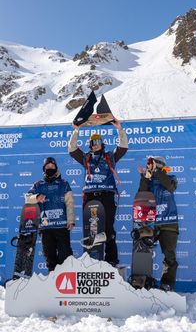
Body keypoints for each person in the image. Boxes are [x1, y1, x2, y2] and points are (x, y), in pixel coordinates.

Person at [68, 118, 128, 266]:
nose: (95, 145)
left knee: (108, 229)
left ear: (102, 143)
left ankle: (111, 261)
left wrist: (119, 129)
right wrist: (76, 131)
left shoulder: (109, 157)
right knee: (92, 230)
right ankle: (92, 260)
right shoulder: (86, 158)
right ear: (90, 145)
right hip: (90, 197)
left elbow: (123, 146)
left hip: (106, 196)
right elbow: (72, 148)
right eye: (93, 143)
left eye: (98, 142)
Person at [25, 157, 75, 272]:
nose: (50, 169)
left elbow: (70, 204)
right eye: (47, 167)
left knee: (65, 256)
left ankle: (67, 280)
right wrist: (36, 197)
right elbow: (27, 198)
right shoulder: (38, 185)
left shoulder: (64, 184)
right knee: (49, 257)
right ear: (44, 169)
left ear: (56, 168)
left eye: (52, 167)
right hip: (45, 227)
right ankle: (53, 281)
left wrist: (71, 220)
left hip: (62, 226)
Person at [138, 156, 179, 291]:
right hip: (152, 224)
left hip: (169, 223)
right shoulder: (148, 181)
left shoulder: (171, 178)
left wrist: (156, 172)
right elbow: (142, 195)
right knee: (142, 251)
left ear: (161, 166)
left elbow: (169, 187)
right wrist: (145, 177)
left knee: (169, 256)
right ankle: (142, 281)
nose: (150, 166)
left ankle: (167, 284)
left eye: (153, 164)